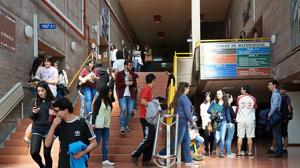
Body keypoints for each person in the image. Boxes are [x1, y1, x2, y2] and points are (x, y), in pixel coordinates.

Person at [45, 97, 97, 168]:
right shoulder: (58, 124)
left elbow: (94, 143)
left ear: (66, 110)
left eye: (56, 110)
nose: (54, 113)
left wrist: (82, 153)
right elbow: (47, 144)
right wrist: (53, 127)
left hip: (79, 163)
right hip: (63, 163)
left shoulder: (83, 122)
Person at [131, 73, 156, 167]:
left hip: (148, 118)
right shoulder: (147, 88)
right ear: (153, 80)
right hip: (145, 118)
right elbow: (142, 101)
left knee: (151, 139)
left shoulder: (149, 89)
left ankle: (146, 161)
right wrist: (152, 106)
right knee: (148, 138)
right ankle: (135, 154)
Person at [30, 81, 55, 168]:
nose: (40, 93)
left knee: (47, 154)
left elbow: (59, 116)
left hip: (48, 129)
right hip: (37, 128)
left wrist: (54, 114)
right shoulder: (35, 101)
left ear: (46, 90)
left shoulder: (53, 101)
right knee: (33, 152)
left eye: (42, 90)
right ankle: (41, 165)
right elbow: (31, 117)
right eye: (38, 91)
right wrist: (33, 113)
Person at [92, 86, 115, 166]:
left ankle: (105, 160)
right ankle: (84, 153)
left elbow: (113, 99)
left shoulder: (108, 101)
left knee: (105, 142)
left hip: (106, 125)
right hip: (98, 124)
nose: (111, 93)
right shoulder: (98, 100)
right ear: (105, 92)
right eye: (109, 91)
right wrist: (93, 123)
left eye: (111, 91)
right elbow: (94, 112)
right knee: (97, 142)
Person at [115, 60, 138, 134]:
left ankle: (126, 125)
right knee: (123, 109)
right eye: (130, 65)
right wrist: (126, 83)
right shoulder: (119, 74)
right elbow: (118, 85)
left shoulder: (133, 74)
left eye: (131, 65)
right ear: (125, 65)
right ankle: (122, 126)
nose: (131, 66)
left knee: (129, 111)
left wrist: (131, 80)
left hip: (131, 95)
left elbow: (135, 85)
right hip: (123, 95)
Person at [236, 85, 257, 157]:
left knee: (240, 136)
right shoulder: (253, 98)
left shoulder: (239, 97)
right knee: (249, 136)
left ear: (245, 90)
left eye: (242, 90)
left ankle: (239, 153)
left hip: (241, 120)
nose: (240, 91)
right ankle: (250, 152)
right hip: (250, 120)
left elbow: (237, 107)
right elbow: (255, 107)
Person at [207, 89, 227, 158]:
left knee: (222, 138)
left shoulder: (225, 102)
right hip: (216, 122)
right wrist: (216, 111)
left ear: (222, 95)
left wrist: (229, 122)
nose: (218, 95)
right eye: (217, 94)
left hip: (223, 122)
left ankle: (221, 153)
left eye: (220, 94)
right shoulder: (214, 102)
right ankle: (214, 151)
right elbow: (208, 110)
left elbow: (226, 112)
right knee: (217, 138)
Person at [267, 80, 283, 158]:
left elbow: (275, 106)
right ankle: (279, 152)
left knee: (277, 135)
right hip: (276, 115)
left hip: (275, 115)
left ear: (274, 85)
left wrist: (269, 114)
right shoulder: (275, 94)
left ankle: (278, 153)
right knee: (277, 134)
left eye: (270, 85)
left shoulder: (275, 94)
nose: (268, 86)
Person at [200, 92, 214, 156]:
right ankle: (207, 151)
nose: (208, 97)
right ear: (205, 97)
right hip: (206, 123)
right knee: (206, 138)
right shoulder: (202, 105)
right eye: (206, 96)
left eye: (209, 96)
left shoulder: (213, 104)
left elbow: (216, 113)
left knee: (212, 137)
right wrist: (203, 125)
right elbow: (202, 115)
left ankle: (211, 150)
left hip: (212, 123)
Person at [225, 94, 236, 158]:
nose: (232, 99)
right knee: (229, 139)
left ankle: (228, 152)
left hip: (225, 124)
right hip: (230, 124)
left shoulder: (225, 106)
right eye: (231, 97)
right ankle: (228, 153)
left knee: (227, 138)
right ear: (229, 99)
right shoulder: (229, 106)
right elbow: (233, 115)